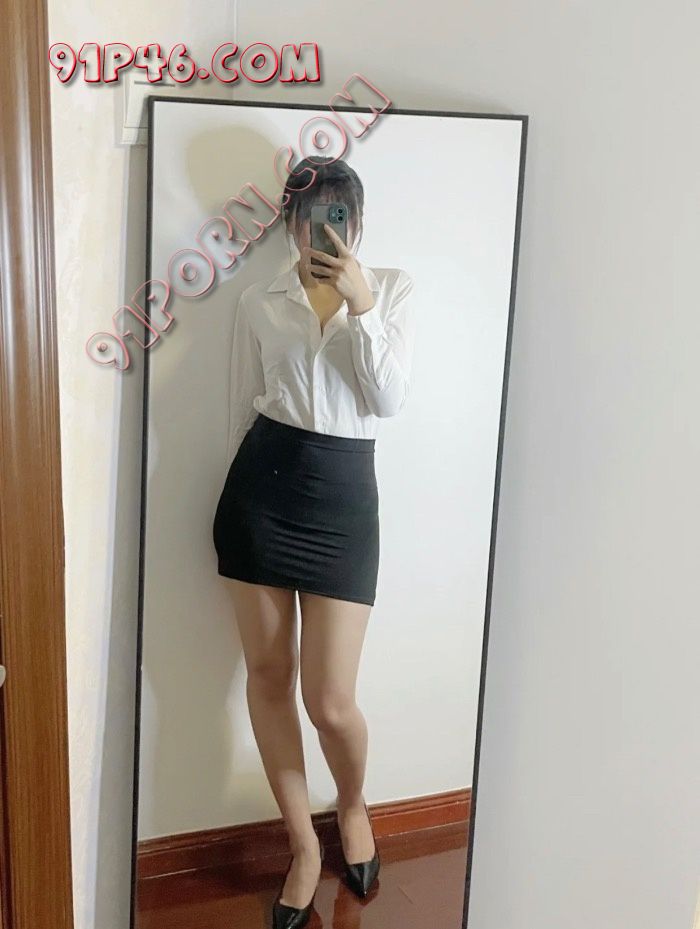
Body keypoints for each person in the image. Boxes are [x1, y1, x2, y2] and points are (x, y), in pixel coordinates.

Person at [212, 155, 416, 929]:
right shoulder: (258, 299)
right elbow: (240, 408)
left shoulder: (391, 288)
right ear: (288, 223)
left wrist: (362, 308)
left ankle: (352, 804)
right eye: (307, 219)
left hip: (344, 503)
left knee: (330, 700)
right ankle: (301, 844)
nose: (320, 232)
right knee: (269, 676)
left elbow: (388, 400)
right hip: (260, 493)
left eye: (337, 217)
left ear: (355, 223)